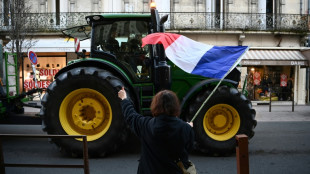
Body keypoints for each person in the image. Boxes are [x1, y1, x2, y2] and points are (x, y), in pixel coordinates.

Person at [118, 87, 195, 174]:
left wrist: (124, 98)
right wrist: (187, 127)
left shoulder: (145, 125)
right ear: (175, 106)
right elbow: (188, 149)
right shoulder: (185, 128)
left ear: (155, 105)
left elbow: (130, 115)